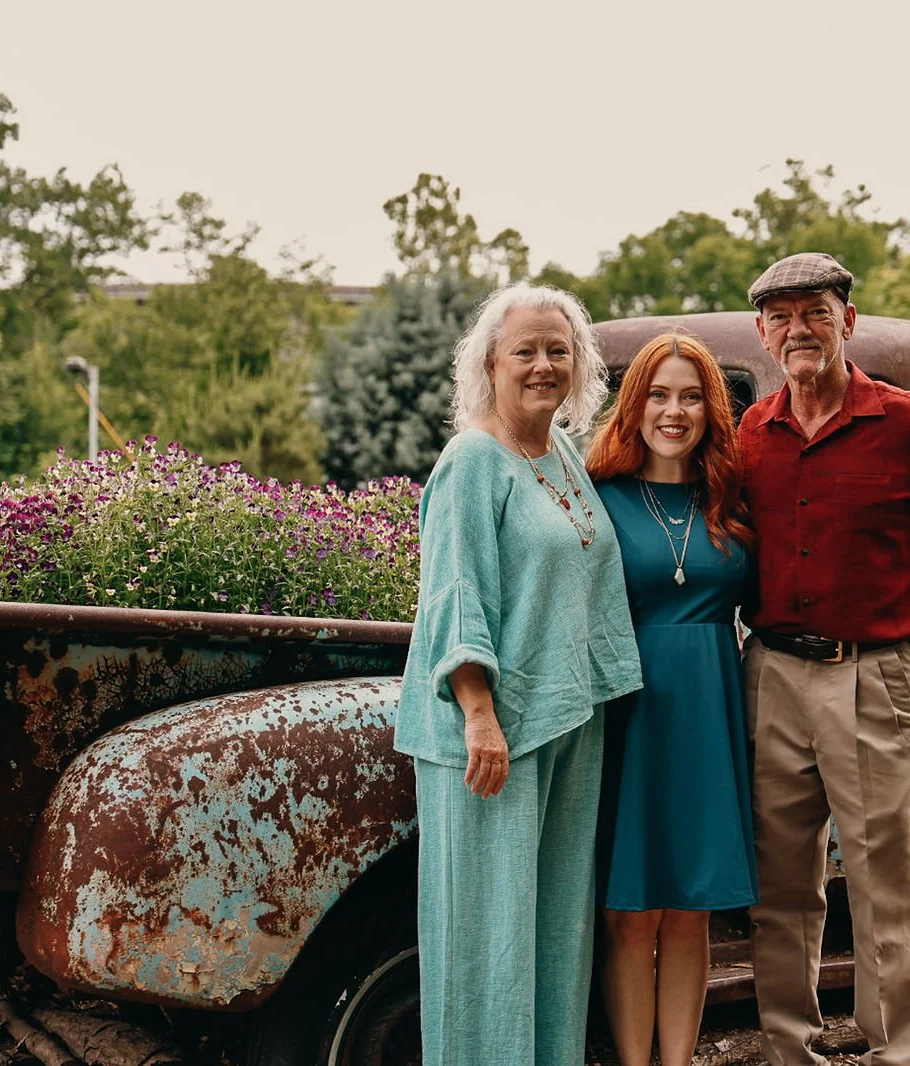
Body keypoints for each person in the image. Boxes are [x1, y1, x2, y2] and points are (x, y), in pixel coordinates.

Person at [739, 252, 910, 1066]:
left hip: (874, 674)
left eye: (814, 311)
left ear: (847, 320)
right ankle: (793, 1051)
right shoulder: (755, 430)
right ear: (763, 333)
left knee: (885, 890)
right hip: (773, 674)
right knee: (781, 889)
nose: (798, 330)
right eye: (780, 317)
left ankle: (895, 1055)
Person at [394, 282, 644, 1066]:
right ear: (490, 365)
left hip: (569, 714)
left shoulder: (562, 453)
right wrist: (477, 711)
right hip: (491, 730)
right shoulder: (473, 460)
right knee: (488, 940)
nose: (543, 365)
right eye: (526, 351)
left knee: (555, 933)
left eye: (558, 350)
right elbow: (455, 591)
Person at [586, 333, 759, 1066]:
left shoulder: (732, 498)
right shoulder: (600, 498)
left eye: (690, 396)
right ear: (635, 405)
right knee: (630, 912)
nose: (674, 410)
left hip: (710, 709)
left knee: (691, 912)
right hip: (631, 710)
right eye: (659, 394)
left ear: (710, 409)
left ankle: (680, 1061)